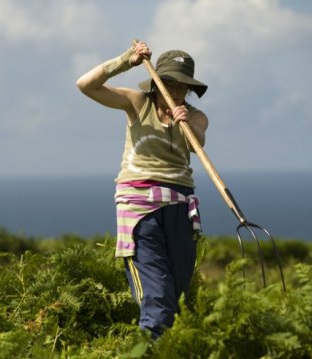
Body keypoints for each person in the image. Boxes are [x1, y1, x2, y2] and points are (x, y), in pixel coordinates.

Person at [76, 40, 209, 338]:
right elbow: (86, 85)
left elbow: (198, 143)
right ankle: (150, 348)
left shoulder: (195, 117)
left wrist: (187, 124)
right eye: (168, 84)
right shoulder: (137, 102)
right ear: (156, 82)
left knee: (182, 296)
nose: (174, 93)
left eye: (181, 87)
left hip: (180, 206)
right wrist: (125, 60)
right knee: (158, 300)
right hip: (140, 208)